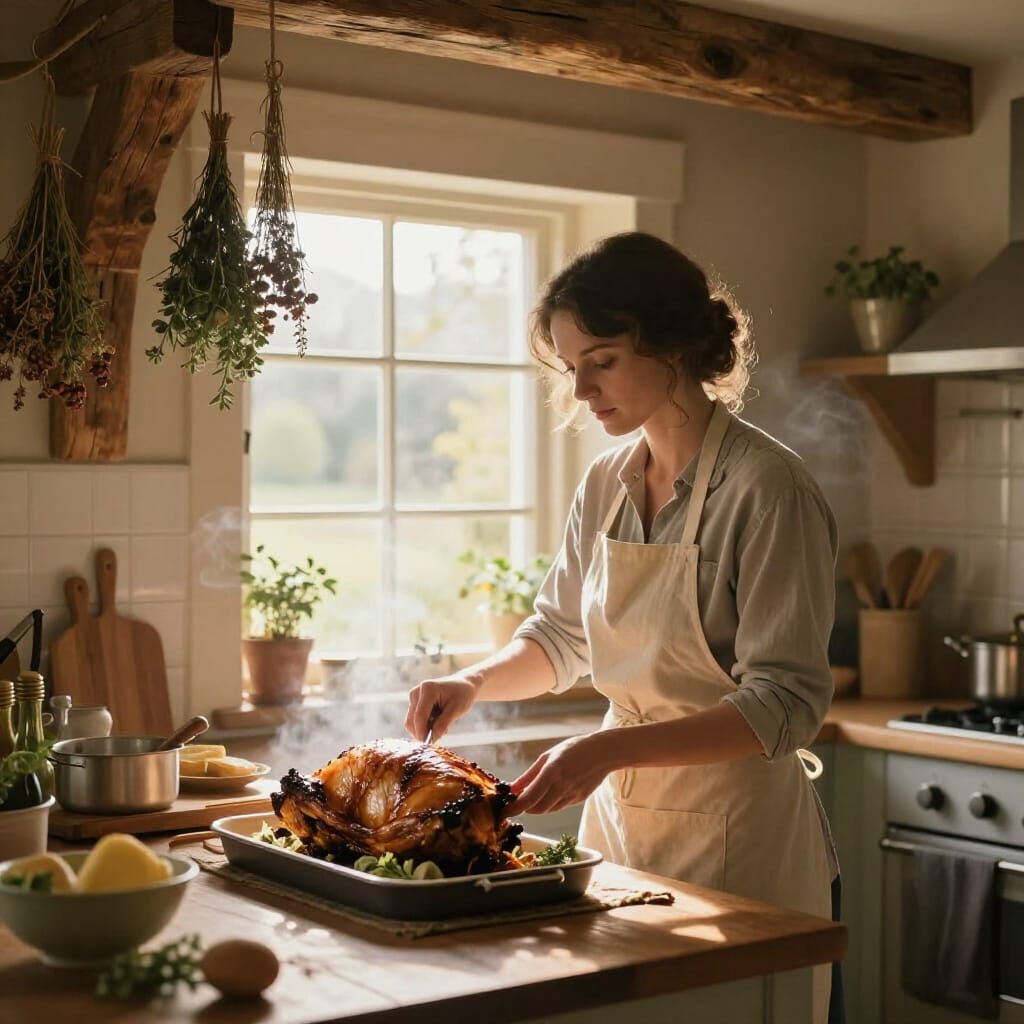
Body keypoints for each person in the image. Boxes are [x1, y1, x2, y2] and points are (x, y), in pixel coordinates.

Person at [405, 232, 842, 1024]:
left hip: (743, 848)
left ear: (673, 343)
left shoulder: (769, 489)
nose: (581, 390)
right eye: (572, 367)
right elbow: (560, 638)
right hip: (623, 838)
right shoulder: (607, 481)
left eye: (601, 360)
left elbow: (785, 705)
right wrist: (472, 681)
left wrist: (604, 749)